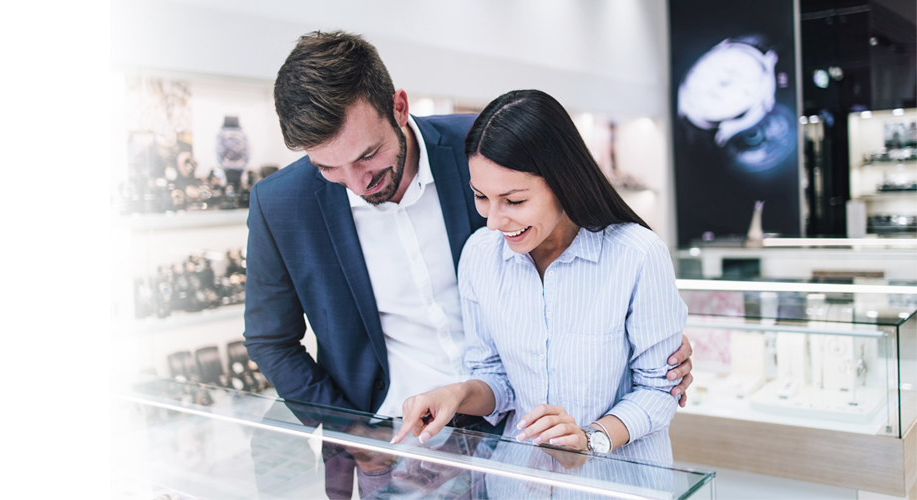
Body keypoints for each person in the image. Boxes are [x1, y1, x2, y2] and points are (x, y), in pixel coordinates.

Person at [241, 31, 694, 497]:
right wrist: (353, 433)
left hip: (515, 442)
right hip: (396, 446)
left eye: (368, 155)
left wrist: (651, 341)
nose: (355, 183)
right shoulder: (282, 204)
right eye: (328, 169)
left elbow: (588, 267)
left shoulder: (482, 146)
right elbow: (270, 339)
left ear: (398, 107)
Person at [391, 89, 685, 468]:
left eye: (513, 201)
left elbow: (660, 390)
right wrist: (457, 394)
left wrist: (589, 440)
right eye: (481, 197)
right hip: (518, 482)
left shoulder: (637, 255)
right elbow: (497, 378)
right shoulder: (481, 255)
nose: (494, 221)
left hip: (614, 483)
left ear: (563, 180)